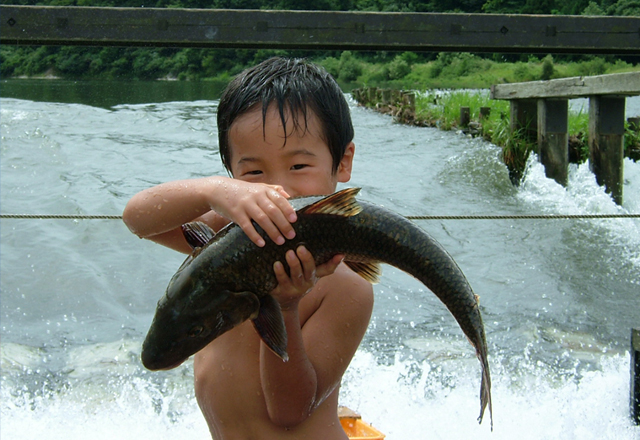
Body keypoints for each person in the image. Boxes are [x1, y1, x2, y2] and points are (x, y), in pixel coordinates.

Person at [122, 57, 374, 440]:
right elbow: (137, 218)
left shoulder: (346, 289)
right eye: (253, 173)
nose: (275, 191)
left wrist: (285, 307)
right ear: (232, 174)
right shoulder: (226, 238)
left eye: (299, 166)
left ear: (342, 162)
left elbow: (290, 412)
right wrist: (212, 191)